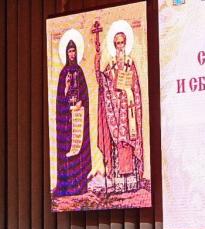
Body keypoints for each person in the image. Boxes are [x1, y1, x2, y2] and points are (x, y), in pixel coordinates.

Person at [94, 28, 145, 193]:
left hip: (128, 111)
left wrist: (129, 92)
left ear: (125, 44)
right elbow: (103, 82)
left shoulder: (130, 63)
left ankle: (131, 182)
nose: (120, 46)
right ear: (114, 45)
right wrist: (97, 62)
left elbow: (136, 88)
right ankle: (119, 183)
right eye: (117, 43)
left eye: (122, 43)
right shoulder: (111, 65)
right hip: (116, 112)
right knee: (118, 144)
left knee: (128, 144)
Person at [54, 37, 92, 197]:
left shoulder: (79, 71)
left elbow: (84, 94)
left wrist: (80, 103)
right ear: (66, 53)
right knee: (68, 149)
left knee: (79, 149)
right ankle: (68, 186)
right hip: (67, 120)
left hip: (78, 118)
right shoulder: (63, 73)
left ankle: (80, 185)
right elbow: (60, 98)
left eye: (74, 50)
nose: (72, 54)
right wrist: (67, 87)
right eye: (69, 51)